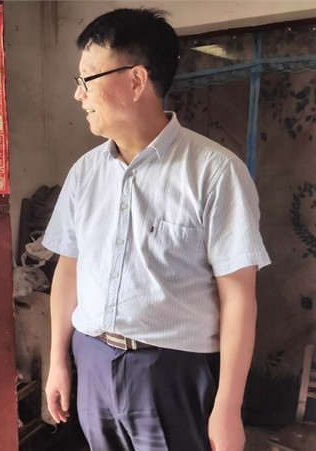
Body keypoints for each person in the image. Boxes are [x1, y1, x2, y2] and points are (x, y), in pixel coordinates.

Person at [42, 8, 270, 451]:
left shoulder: (215, 173)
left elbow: (239, 297)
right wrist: (58, 362)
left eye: (86, 79)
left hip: (171, 371)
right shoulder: (84, 173)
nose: (78, 94)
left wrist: (228, 406)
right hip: (92, 360)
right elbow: (68, 270)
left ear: (135, 80)